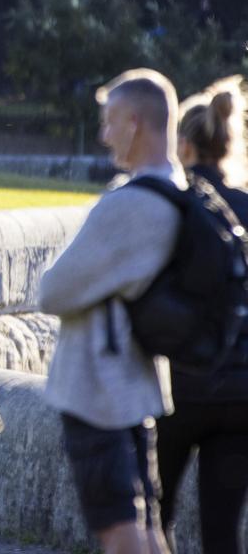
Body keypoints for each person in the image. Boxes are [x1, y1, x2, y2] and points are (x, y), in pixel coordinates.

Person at [39, 69, 185, 554]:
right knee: (147, 520)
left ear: (135, 121)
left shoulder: (131, 204)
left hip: (99, 386)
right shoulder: (179, 192)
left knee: (120, 525)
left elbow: (54, 291)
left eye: (109, 122)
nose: (103, 135)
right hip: (138, 383)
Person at [156, 77, 248, 554]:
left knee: (155, 516)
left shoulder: (173, 207)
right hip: (240, 393)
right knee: (222, 529)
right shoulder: (246, 210)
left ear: (184, 145)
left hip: (179, 387)